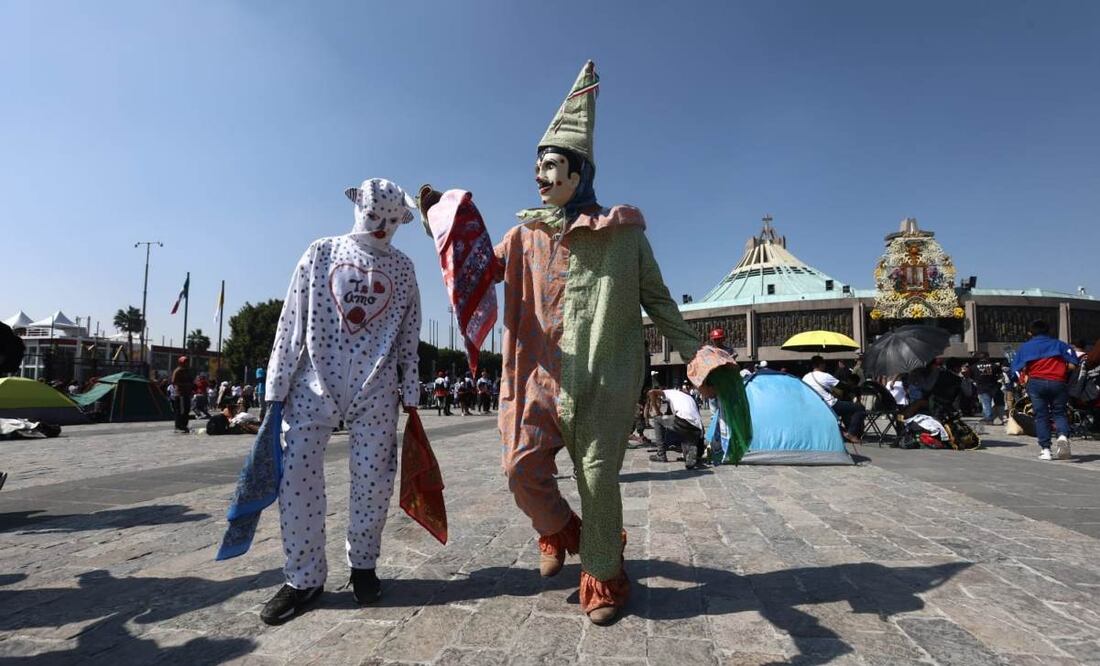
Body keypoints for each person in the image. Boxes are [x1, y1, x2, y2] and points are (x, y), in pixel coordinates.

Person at [417, 61, 728, 626]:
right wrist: (447, 221)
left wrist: (701, 357)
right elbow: (481, 274)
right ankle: (561, 530)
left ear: (578, 172)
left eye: (551, 165)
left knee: (598, 475)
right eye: (536, 166)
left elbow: (658, 300)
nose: (540, 175)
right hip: (534, 374)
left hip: (602, 377)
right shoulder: (523, 234)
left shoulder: (623, 235)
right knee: (519, 468)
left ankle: (605, 576)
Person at [255, 178, 422, 624]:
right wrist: (276, 385)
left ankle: (363, 564)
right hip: (313, 384)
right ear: (358, 210)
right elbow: (291, 320)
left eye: (391, 221)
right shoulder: (321, 252)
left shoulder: (403, 269)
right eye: (374, 218)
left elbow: (409, 333)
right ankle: (303, 577)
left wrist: (411, 389)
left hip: (376, 388)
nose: (382, 228)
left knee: (373, 479)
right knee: (296, 479)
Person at [1012, 319, 1078, 461]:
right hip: (1058, 382)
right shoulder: (1060, 345)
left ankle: (1045, 449)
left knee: (1041, 416)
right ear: (1049, 331)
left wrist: (1023, 381)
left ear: (1030, 333)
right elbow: (1074, 364)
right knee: (1059, 412)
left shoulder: (1026, 347)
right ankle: (1062, 435)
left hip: (1036, 383)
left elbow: (1016, 369)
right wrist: (1061, 369)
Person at [802, 355, 865, 444]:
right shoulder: (825, 376)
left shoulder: (805, 377)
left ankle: (844, 431)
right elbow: (843, 387)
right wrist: (856, 387)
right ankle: (851, 433)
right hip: (830, 405)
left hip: (815, 407)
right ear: (821, 364)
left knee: (846, 408)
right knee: (859, 408)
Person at [645, 387, 705, 469]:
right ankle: (690, 454)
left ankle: (661, 454)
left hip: (682, 421)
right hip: (697, 428)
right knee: (685, 435)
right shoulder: (687, 398)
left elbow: (651, 392)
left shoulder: (669, 393)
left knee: (657, 419)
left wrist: (657, 411)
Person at [969, 352, 1001, 424]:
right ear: (987, 357)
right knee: (995, 403)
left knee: (986, 403)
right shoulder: (994, 366)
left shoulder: (974, 366)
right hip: (993, 386)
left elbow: (971, 376)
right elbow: (999, 374)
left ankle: (988, 418)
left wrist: (976, 381)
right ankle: (995, 417)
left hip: (981, 387)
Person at [171, 356, 194, 433]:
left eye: (187, 361)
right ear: (181, 362)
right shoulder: (178, 371)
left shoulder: (187, 371)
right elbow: (174, 382)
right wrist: (185, 384)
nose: (186, 363)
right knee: (181, 411)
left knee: (187, 410)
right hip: (180, 394)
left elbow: (191, 381)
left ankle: (184, 425)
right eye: (185, 362)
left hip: (187, 394)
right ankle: (179, 426)